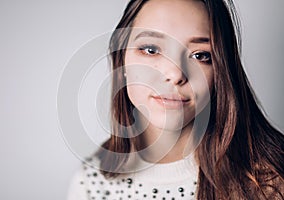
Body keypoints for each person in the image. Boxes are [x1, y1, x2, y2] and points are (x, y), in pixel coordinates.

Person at [67, 0, 284, 199]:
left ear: (221, 72)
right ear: (121, 61)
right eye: (151, 50)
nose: (175, 73)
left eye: (200, 55)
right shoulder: (92, 183)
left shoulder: (270, 183)